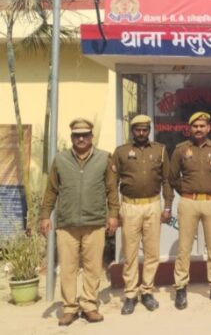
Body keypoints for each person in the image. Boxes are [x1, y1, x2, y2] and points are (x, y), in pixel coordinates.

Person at [40, 118, 119, 326]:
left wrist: (113, 214)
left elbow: (112, 190)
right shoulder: (60, 160)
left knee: (93, 267)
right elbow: (51, 190)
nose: (81, 138)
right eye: (77, 135)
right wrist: (45, 216)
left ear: (92, 136)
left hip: (95, 223)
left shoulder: (104, 158)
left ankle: (89, 306)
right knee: (68, 268)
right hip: (67, 224)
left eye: (85, 135)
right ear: (72, 137)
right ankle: (69, 309)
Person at [112, 114, 174, 315]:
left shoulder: (160, 150)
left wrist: (168, 206)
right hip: (129, 206)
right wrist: (113, 211)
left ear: (149, 130)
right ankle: (130, 294)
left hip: (153, 205)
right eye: (137, 129)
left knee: (152, 252)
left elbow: (167, 180)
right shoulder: (121, 152)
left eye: (144, 129)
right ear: (132, 131)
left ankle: (147, 291)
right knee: (130, 253)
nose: (141, 133)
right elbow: (112, 184)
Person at [170, 111, 211, 308]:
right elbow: (172, 177)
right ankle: (180, 288)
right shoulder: (181, 150)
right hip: (189, 202)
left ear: (208, 128)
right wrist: (186, 191)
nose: (198, 129)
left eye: (202, 126)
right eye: (195, 126)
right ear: (190, 128)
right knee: (184, 248)